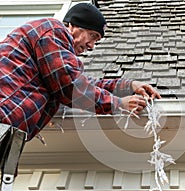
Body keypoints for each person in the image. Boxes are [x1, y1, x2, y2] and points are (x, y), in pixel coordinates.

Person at [0, 2, 161, 142]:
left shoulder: (53, 57)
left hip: (8, 129)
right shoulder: (53, 29)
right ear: (74, 25)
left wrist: (129, 85)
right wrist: (118, 104)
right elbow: (70, 86)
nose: (92, 46)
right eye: (92, 35)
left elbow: (83, 82)